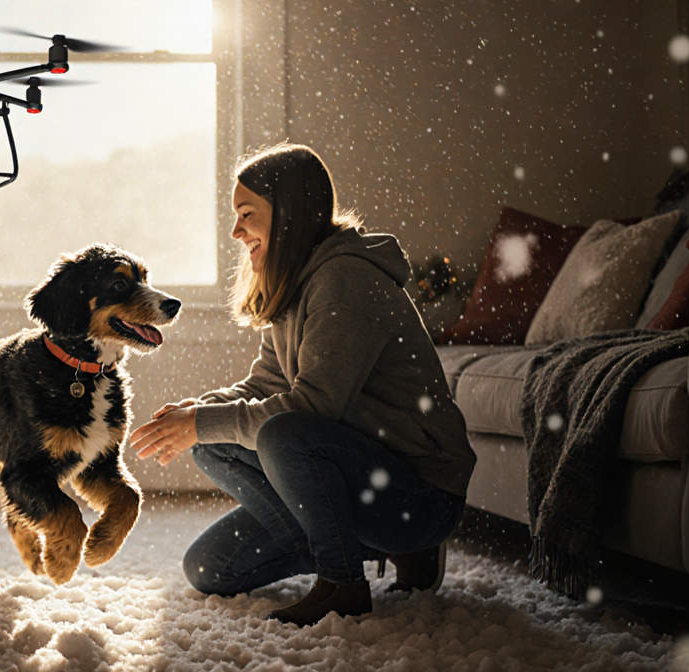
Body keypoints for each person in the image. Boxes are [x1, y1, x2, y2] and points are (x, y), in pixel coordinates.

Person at [129, 143, 475, 626]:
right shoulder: (293, 281)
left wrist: (203, 421)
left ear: (288, 213)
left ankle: (343, 582)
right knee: (209, 564)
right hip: (358, 477)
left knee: (281, 433)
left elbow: (312, 408)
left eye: (247, 215)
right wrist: (199, 413)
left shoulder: (345, 280)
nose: (236, 231)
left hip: (418, 496)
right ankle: (368, 548)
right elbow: (266, 382)